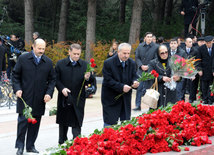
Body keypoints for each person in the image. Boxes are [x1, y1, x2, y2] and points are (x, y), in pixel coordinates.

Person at [12, 39, 56, 155]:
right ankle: (20, 146)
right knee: (23, 123)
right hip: (24, 97)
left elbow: (52, 80)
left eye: (43, 49)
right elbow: (15, 75)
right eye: (39, 48)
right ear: (33, 47)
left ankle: (30, 146)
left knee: (35, 123)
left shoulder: (48, 62)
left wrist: (49, 93)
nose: (41, 51)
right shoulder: (23, 59)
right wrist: (17, 89)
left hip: (39, 99)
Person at [55, 43, 95, 144]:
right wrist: (62, 88)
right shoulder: (60, 64)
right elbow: (55, 79)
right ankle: (62, 142)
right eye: (74, 54)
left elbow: (91, 82)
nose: (76, 56)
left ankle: (77, 144)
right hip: (64, 98)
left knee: (77, 122)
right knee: (63, 123)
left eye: (78, 54)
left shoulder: (85, 65)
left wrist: (88, 78)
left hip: (78, 99)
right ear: (69, 52)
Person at [101, 43, 139, 127]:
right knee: (109, 125)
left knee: (125, 125)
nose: (126, 56)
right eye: (124, 53)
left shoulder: (132, 63)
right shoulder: (108, 63)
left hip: (125, 98)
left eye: (128, 53)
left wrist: (135, 82)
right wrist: (121, 87)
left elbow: (134, 75)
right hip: (111, 98)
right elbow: (108, 80)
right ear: (118, 52)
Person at [134, 32, 159, 111]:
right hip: (141, 70)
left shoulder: (156, 47)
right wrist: (141, 65)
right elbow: (137, 57)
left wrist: (149, 66)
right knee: (139, 88)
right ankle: (138, 105)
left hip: (151, 70)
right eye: (148, 37)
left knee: (150, 89)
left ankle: (151, 106)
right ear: (145, 38)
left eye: (151, 37)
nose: (149, 38)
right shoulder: (140, 46)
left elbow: (156, 59)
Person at [197, 35, 214, 105]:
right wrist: (199, 69)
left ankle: (210, 99)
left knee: (211, 86)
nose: (208, 44)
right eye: (207, 43)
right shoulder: (201, 49)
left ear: (212, 41)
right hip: (204, 70)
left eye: (210, 42)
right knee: (204, 86)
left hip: (212, 70)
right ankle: (205, 99)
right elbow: (198, 60)